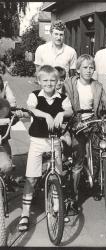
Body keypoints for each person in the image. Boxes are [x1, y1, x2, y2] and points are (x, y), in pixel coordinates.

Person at [64, 54, 106, 212]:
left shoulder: (97, 86)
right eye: (85, 67)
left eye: (91, 67)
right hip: (76, 124)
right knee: (77, 160)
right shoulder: (69, 84)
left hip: (93, 123)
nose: (88, 70)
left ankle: (98, 184)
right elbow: (63, 102)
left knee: (99, 153)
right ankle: (73, 197)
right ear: (78, 69)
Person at [18, 65, 73, 232]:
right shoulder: (35, 95)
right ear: (40, 81)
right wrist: (47, 114)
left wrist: (61, 114)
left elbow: (70, 110)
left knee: (57, 174)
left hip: (54, 140)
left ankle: (57, 207)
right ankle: (25, 213)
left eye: (52, 80)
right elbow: (31, 109)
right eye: (45, 80)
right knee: (32, 177)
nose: (49, 83)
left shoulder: (62, 97)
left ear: (57, 82)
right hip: (37, 140)